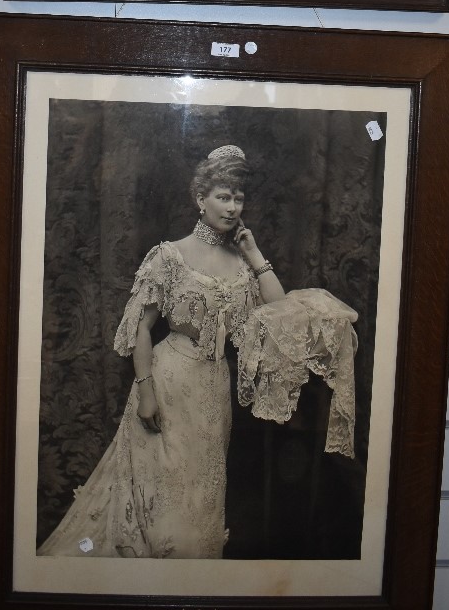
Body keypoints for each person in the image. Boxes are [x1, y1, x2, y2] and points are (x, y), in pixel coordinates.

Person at [37, 145, 357, 560]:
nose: (232, 206)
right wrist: (146, 390)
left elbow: (279, 313)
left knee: (199, 506)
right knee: (160, 507)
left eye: (238, 197)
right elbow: (141, 329)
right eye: (223, 196)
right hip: (168, 382)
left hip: (213, 390)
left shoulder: (242, 262)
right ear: (200, 199)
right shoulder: (170, 255)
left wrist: (255, 254)